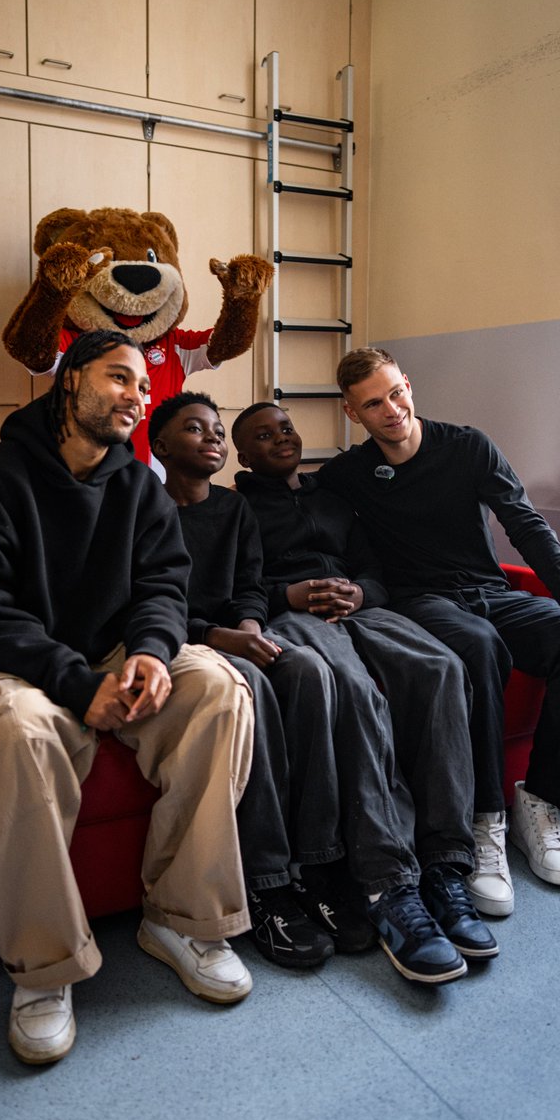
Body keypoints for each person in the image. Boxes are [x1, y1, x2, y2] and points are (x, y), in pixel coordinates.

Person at [0, 330, 256, 1066]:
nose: (136, 398)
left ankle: (183, 918)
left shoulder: (141, 487)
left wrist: (148, 651)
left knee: (218, 688)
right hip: (8, 665)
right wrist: (79, 685)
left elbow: (164, 587)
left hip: (112, 654)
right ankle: (45, 970)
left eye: (143, 388)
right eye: (119, 379)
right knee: (21, 732)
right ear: (71, 380)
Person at [318, 346, 560, 917]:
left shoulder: (468, 447)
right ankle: (486, 822)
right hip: (421, 604)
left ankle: (540, 801)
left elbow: (526, 525)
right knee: (479, 648)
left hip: (492, 593)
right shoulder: (347, 475)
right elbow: (309, 525)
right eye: (373, 404)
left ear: (408, 384)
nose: (392, 409)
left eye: (396, 392)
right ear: (351, 413)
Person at [232, 401, 499, 985]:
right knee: (353, 688)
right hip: (296, 618)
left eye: (286, 428)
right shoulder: (238, 508)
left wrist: (361, 592)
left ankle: (446, 867)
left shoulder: (333, 499)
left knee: (442, 667)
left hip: (360, 609)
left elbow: (375, 569)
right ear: (242, 455)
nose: (282, 438)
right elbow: (240, 587)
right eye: (263, 435)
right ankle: (388, 885)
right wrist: (294, 595)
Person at [149, 390, 374, 970]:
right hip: (191, 642)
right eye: (195, 430)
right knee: (252, 683)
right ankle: (267, 881)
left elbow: (251, 582)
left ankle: (319, 865)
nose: (212, 438)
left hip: (236, 631)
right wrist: (222, 637)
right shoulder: (142, 508)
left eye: (216, 431)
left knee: (308, 670)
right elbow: (146, 603)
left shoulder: (233, 509)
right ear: (161, 446)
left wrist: (250, 622)